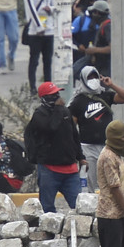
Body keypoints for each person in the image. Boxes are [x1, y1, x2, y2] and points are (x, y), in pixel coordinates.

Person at [68, 65, 124, 192]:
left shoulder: (105, 95)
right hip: (88, 148)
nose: (93, 79)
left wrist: (111, 85)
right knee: (89, 183)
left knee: (112, 180)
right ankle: (90, 207)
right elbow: (71, 128)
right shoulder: (77, 101)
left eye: (95, 76)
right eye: (89, 77)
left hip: (108, 147)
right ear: (83, 80)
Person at [24, 82, 86, 213]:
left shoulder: (65, 112)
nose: (57, 96)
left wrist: (81, 157)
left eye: (57, 93)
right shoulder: (39, 115)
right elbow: (51, 128)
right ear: (44, 98)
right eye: (53, 95)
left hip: (70, 171)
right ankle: (48, 233)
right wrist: (58, 109)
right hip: (49, 170)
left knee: (80, 207)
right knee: (47, 209)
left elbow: (74, 136)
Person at [22, 0, 55, 90]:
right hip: (34, 31)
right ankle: (32, 88)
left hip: (49, 30)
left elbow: (54, 4)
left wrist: (50, 9)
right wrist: (39, 27)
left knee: (48, 61)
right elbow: (30, 8)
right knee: (34, 60)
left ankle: (48, 88)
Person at [79, 0, 112, 77]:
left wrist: (94, 50)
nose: (92, 15)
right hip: (100, 67)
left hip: (106, 68)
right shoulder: (102, 26)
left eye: (93, 12)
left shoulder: (107, 26)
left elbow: (112, 48)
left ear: (97, 13)